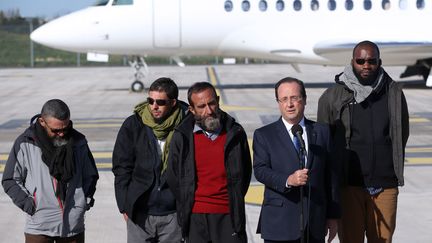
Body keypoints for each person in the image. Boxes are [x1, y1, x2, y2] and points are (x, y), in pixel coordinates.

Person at [317, 40, 409, 243]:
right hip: (349, 187)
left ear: (379, 62)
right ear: (352, 62)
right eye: (360, 61)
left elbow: (402, 134)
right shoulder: (332, 96)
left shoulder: (393, 93)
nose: (366, 66)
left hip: (385, 186)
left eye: (371, 61)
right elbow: (323, 142)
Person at [253, 77, 340, 243]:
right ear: (278, 103)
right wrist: (288, 180)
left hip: (315, 223)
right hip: (280, 223)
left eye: (294, 98)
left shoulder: (322, 132)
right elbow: (260, 170)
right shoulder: (264, 135)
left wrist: (333, 216)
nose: (289, 104)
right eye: (284, 99)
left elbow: (331, 177)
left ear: (304, 100)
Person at [2, 99, 99, 243]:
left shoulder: (79, 142)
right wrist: (31, 205)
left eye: (65, 128)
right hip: (39, 227)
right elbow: (10, 179)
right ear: (42, 121)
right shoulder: (25, 143)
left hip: (73, 226)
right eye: (56, 130)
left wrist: (84, 201)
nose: (61, 134)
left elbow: (90, 175)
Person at [167, 82, 252, 243]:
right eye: (201, 106)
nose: (209, 111)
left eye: (212, 103)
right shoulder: (182, 136)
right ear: (192, 109)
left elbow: (245, 173)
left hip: (229, 216)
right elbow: (173, 177)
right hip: (195, 218)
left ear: (218, 100)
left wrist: (233, 199)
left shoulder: (236, 133)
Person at [112, 77, 187, 243]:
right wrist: (124, 204)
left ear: (173, 103)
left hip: (174, 214)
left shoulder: (186, 125)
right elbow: (121, 167)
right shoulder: (133, 125)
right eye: (150, 100)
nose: (154, 106)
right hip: (140, 213)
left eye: (160, 102)